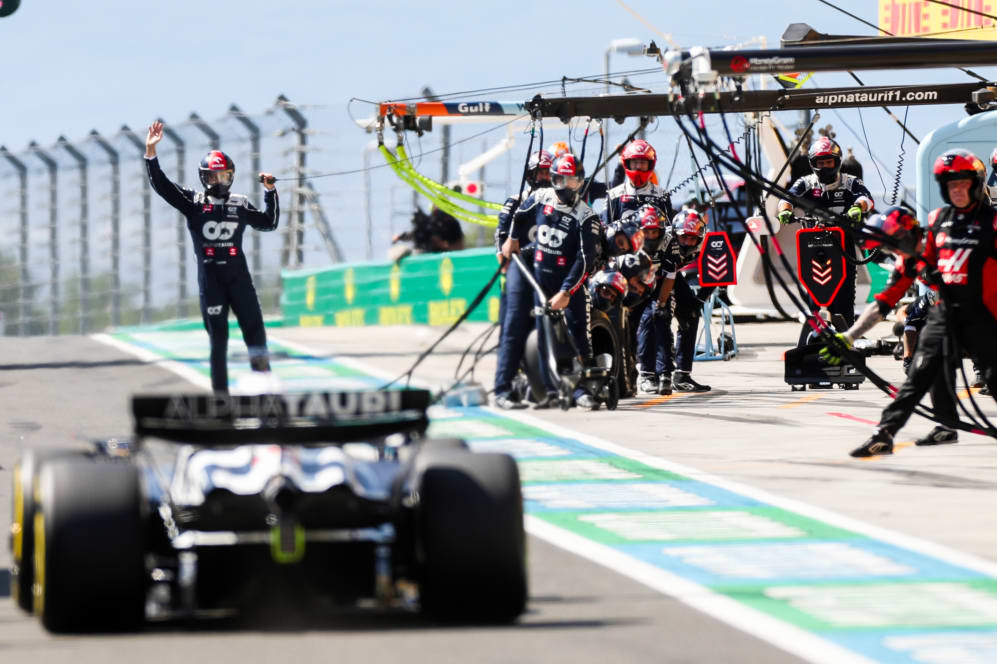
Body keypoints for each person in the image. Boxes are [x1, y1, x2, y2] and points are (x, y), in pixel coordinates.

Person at [823, 151, 997, 457]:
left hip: (985, 320)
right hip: (943, 318)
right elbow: (891, 294)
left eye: (963, 183)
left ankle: (944, 426)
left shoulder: (994, 223)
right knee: (918, 377)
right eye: (950, 183)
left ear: (976, 184)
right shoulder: (937, 221)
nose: (957, 189)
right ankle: (884, 434)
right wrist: (849, 337)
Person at [145, 121, 279, 394]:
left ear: (232, 176)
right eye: (214, 177)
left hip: (240, 280)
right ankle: (221, 400)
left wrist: (269, 191)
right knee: (219, 341)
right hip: (211, 283)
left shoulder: (239, 203)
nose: (220, 182)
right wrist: (151, 153)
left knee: (256, 335)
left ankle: (265, 391)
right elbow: (162, 186)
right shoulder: (193, 202)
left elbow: (268, 222)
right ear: (204, 178)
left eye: (225, 176)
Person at [511, 153, 600, 409]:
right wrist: (512, 239)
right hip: (541, 282)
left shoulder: (587, 216)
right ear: (553, 179)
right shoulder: (540, 198)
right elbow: (518, 216)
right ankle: (551, 390)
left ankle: (583, 389)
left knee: (577, 336)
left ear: (580, 182)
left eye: (572, 181)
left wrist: (566, 291)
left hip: (569, 286)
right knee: (544, 337)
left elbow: (585, 259)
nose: (566, 187)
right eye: (561, 180)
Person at [778, 137, 874, 336]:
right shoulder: (806, 182)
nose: (824, 167)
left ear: (837, 161)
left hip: (842, 244)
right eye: (819, 163)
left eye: (828, 162)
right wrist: (785, 210)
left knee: (845, 292)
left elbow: (866, 198)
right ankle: (816, 333)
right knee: (813, 291)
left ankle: (848, 334)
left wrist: (858, 207)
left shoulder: (850, 182)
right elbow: (786, 198)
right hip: (812, 244)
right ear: (813, 164)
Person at [493, 150, 552, 409]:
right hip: (521, 266)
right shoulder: (516, 201)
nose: (544, 177)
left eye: (548, 172)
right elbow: (502, 246)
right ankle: (503, 389)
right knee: (514, 323)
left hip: (553, 267)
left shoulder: (563, 202)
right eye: (540, 172)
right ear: (529, 175)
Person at [638, 208, 713, 394]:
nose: (687, 242)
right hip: (645, 275)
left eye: (692, 238)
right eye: (683, 237)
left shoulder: (707, 242)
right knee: (653, 317)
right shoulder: (664, 240)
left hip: (670, 275)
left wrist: (700, 299)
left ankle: (682, 375)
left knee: (691, 314)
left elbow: (718, 273)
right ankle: (647, 374)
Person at [603, 139, 675, 227]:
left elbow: (669, 230)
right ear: (627, 163)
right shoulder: (613, 195)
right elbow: (606, 230)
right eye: (635, 162)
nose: (638, 166)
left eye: (643, 162)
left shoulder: (662, 194)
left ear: (650, 164)